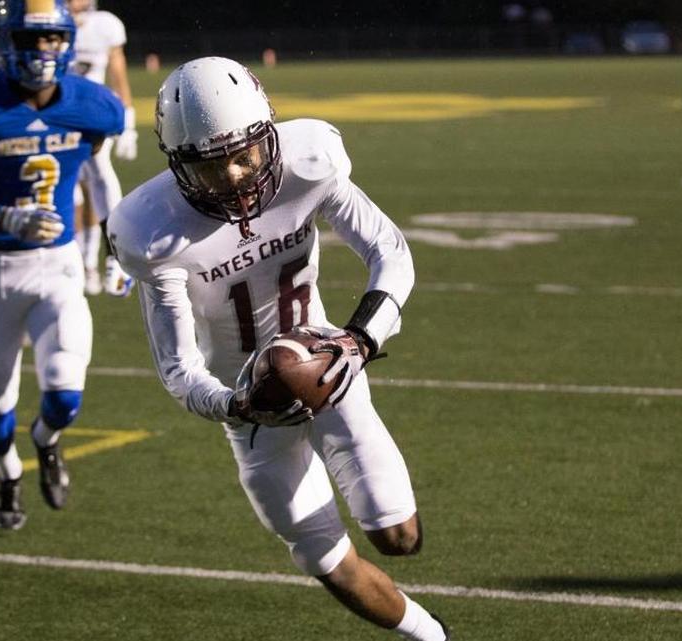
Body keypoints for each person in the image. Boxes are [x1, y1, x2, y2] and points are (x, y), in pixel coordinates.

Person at [108, 57, 449, 641]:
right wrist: (238, 405)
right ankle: (432, 636)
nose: (237, 175)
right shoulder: (153, 231)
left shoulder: (310, 163)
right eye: (212, 167)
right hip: (250, 410)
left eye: (245, 155)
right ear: (179, 166)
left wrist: (360, 339)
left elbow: (391, 253)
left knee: (400, 538)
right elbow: (179, 369)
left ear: (269, 131)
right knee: (325, 560)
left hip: (329, 365)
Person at [0, 0, 124, 530]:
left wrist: (117, 250)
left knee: (65, 393)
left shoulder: (90, 105)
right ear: (6, 42)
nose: (42, 50)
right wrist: (5, 216)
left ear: (68, 41)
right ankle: (7, 474)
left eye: (51, 39)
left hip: (61, 266)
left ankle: (46, 442)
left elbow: (100, 178)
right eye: (29, 39)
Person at [66, 0, 137, 297]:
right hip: (60, 111)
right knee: (72, 189)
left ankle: (114, 255)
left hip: (93, 109)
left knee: (97, 170)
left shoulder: (105, 25)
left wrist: (128, 117)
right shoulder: (49, 20)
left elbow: (117, 71)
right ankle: (84, 263)